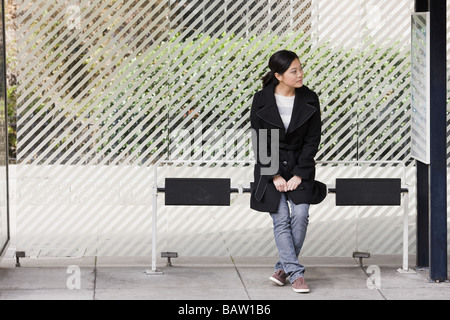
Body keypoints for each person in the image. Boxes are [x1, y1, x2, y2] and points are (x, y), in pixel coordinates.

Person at [250, 50, 326, 293]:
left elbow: (313, 140)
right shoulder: (261, 98)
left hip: (299, 168)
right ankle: (296, 275)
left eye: (300, 68)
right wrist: (274, 175)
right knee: (281, 218)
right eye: (294, 71)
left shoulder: (310, 98)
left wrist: (298, 174)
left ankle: (283, 268)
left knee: (301, 214)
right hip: (270, 168)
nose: (300, 74)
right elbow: (261, 139)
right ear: (279, 75)